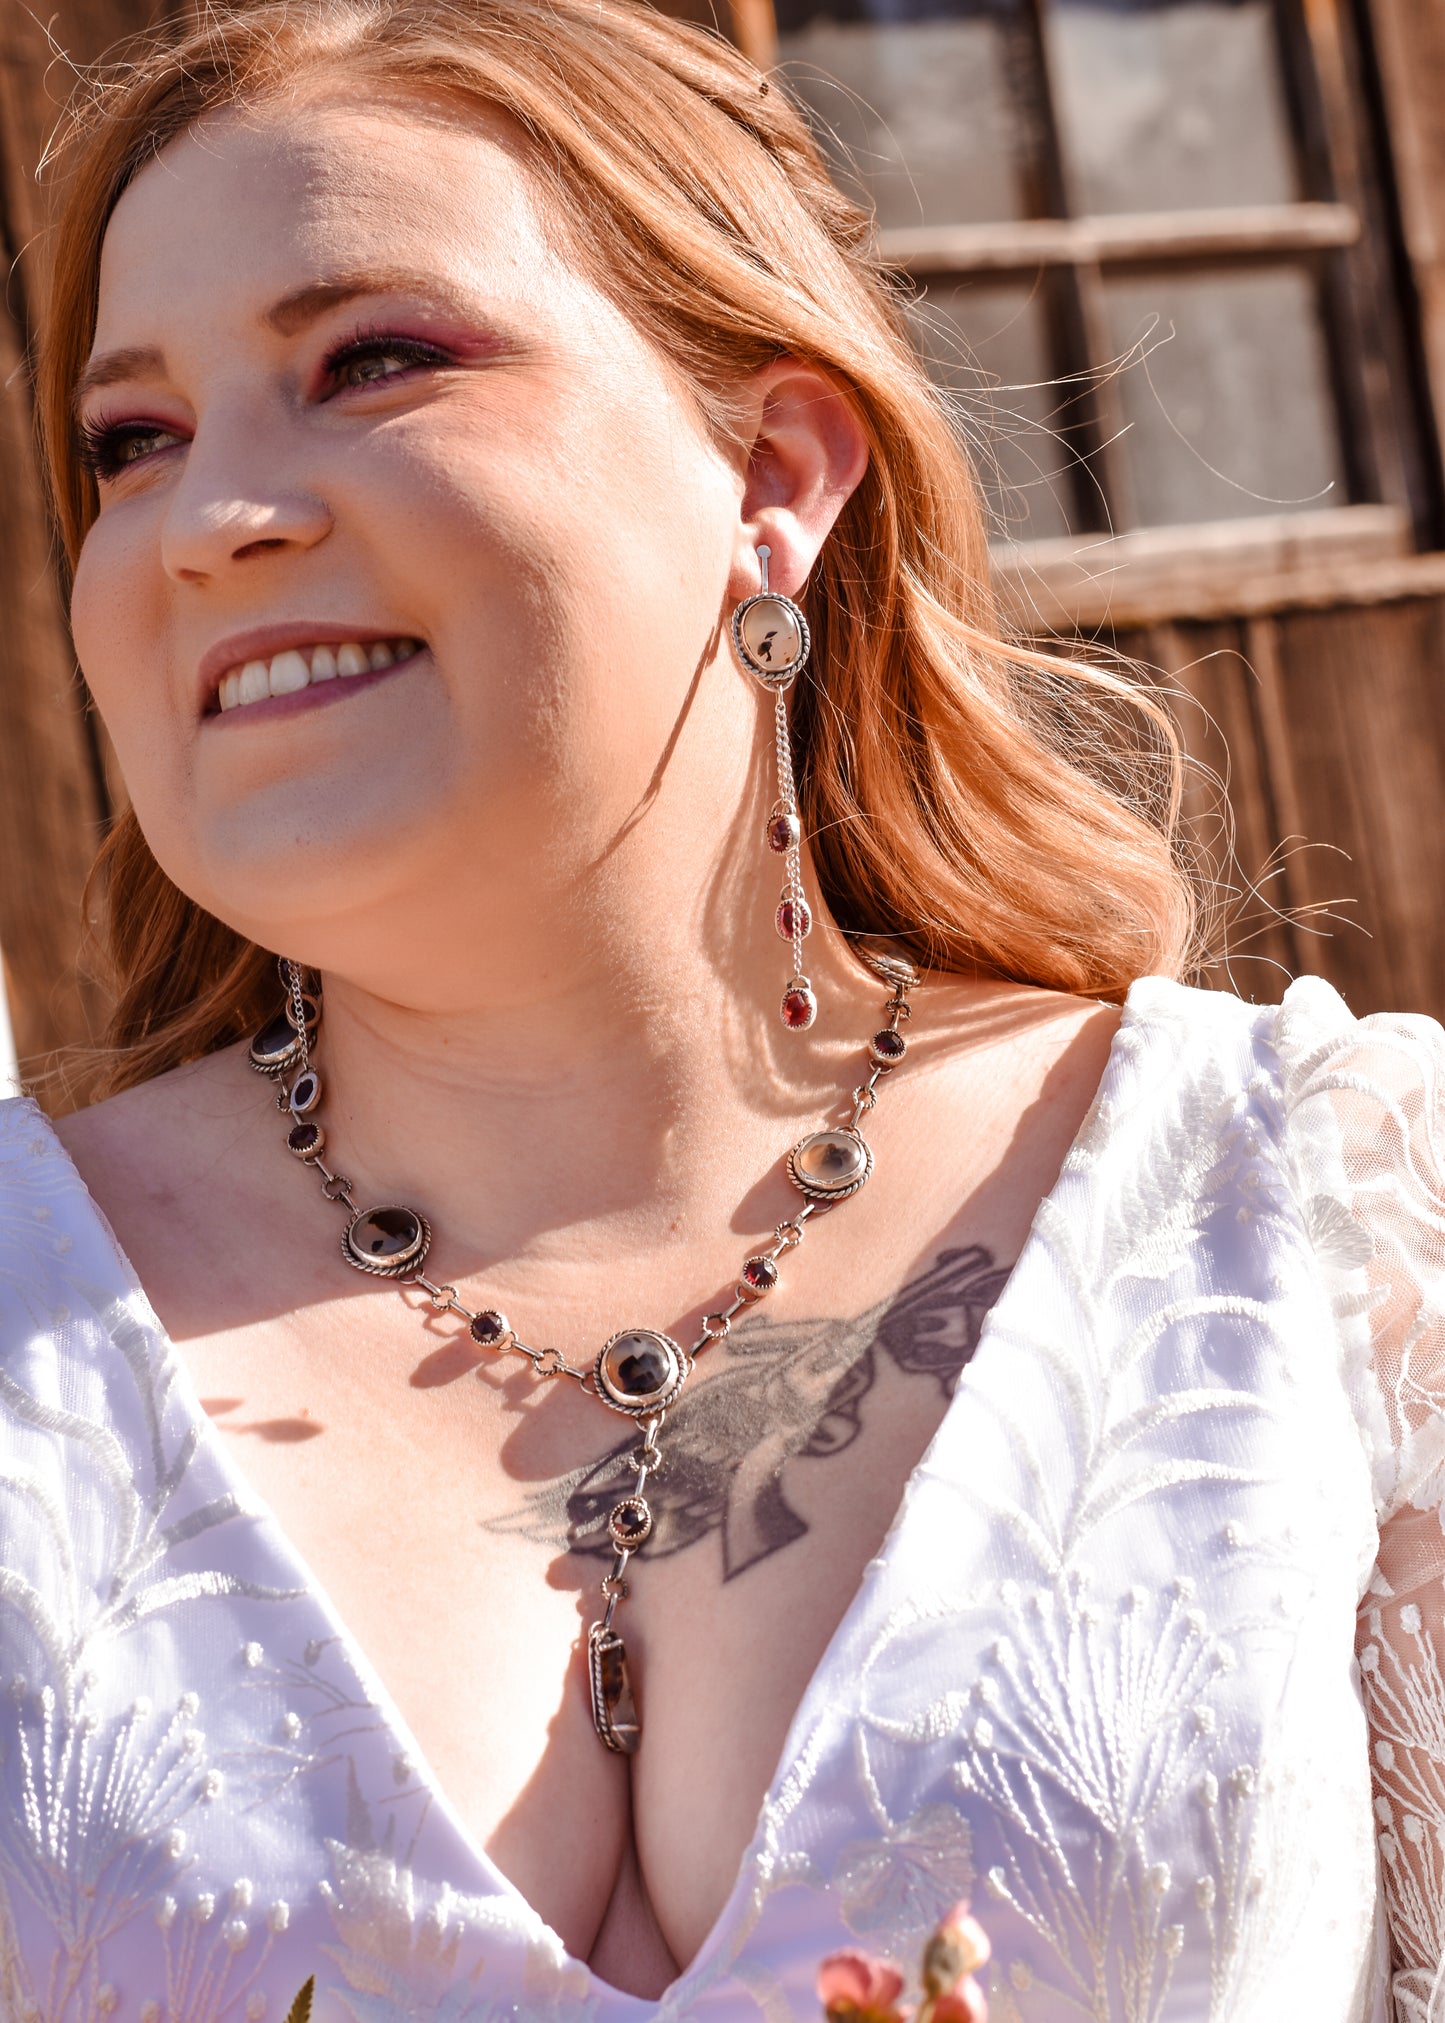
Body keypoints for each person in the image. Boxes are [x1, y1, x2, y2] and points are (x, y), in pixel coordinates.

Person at [1, 0, 1440, 2015]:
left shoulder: (1342, 1222)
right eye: (127, 439)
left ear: (772, 472)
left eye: (373, 361)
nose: (212, 514)